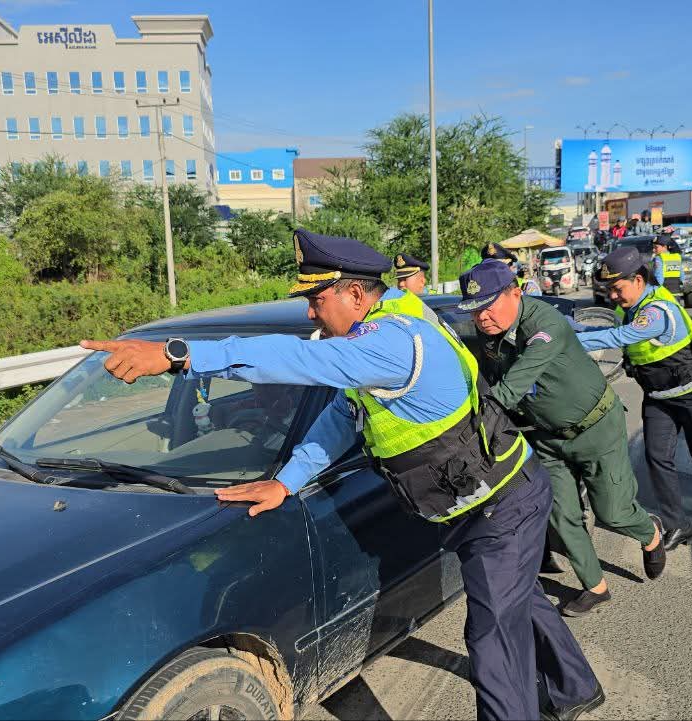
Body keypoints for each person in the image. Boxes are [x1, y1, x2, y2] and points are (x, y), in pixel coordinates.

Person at [82, 229, 603, 721]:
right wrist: (286, 481)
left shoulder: (391, 342)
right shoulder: (386, 325)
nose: (310, 311)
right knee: (516, 600)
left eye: (317, 299)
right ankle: (575, 687)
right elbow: (341, 415)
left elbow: (293, 358)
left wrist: (182, 355)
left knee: (493, 638)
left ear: (355, 294)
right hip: (476, 500)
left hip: (501, 505)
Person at [459, 260, 666, 617]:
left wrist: (471, 424)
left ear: (515, 293)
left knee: (613, 512)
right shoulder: (488, 331)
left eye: (488, 306)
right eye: (474, 311)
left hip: (595, 428)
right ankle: (595, 586)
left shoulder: (544, 324)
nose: (482, 317)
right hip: (545, 436)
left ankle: (650, 534)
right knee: (561, 513)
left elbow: (510, 388)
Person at [575, 247, 692, 551]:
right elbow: (610, 329)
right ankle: (678, 523)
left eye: (617, 288)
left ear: (638, 280)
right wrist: (569, 327)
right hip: (659, 397)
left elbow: (618, 337)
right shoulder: (629, 307)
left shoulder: (657, 312)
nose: (612, 296)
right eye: (608, 290)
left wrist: (566, 339)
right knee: (657, 457)